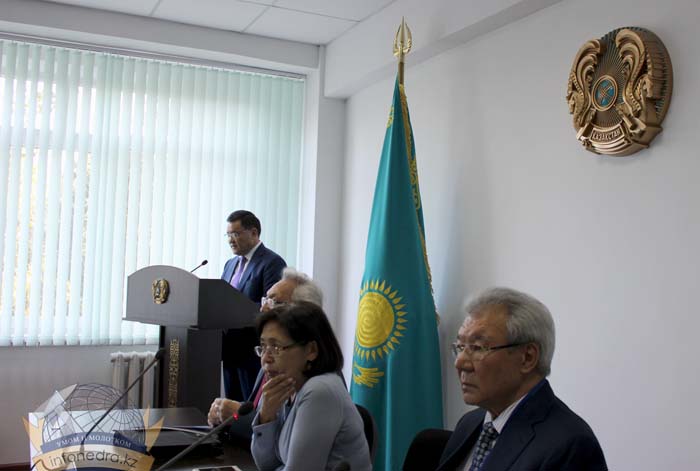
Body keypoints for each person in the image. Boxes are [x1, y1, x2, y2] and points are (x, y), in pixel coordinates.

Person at [437, 287, 607, 471]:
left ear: (527, 358)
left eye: (477, 347)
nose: (460, 362)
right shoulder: (469, 423)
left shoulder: (570, 445)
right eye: (460, 347)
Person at [251, 302, 372, 471]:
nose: (266, 358)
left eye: (276, 347)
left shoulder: (320, 391)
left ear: (311, 351)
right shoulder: (286, 387)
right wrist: (266, 418)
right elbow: (267, 464)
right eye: (263, 347)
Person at [208, 268, 324, 430]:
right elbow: (258, 411)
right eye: (265, 300)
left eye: (274, 302)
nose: (262, 309)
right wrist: (226, 412)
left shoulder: (314, 380)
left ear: (304, 312)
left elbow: (282, 433)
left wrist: (236, 416)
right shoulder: (271, 356)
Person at [221, 210, 287, 401]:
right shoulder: (230, 264)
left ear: (254, 233)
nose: (231, 240)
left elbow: (272, 307)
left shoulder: (272, 262)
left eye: (236, 234)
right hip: (229, 349)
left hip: (253, 351)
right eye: (228, 235)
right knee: (231, 408)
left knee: (249, 407)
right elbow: (221, 300)